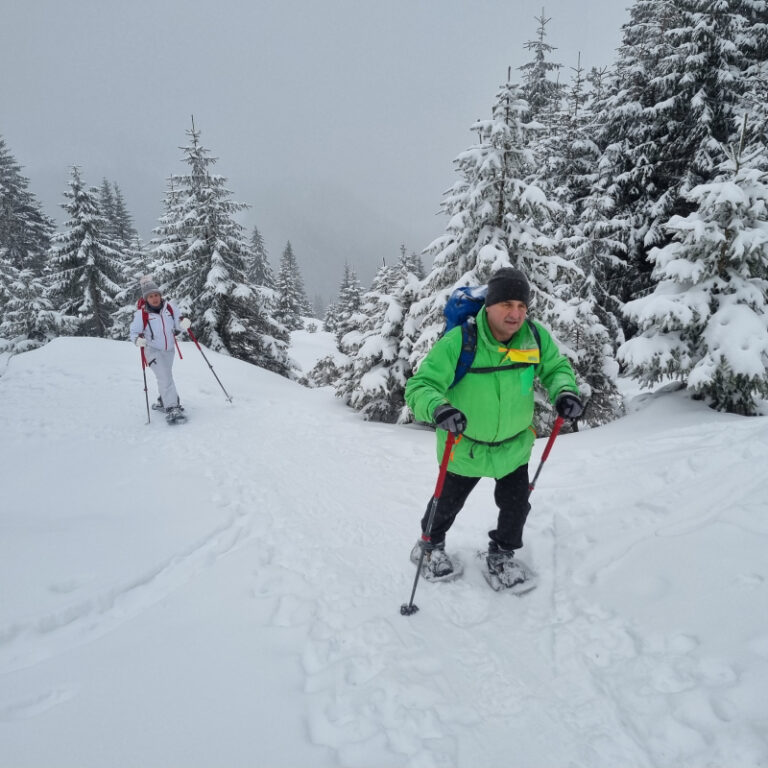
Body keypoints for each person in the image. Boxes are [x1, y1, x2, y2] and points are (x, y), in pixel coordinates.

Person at [404, 266, 583, 588]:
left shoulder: (535, 337)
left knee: (516, 507)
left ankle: (502, 554)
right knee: (446, 504)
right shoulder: (461, 341)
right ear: (490, 305)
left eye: (521, 306)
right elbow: (421, 385)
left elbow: (556, 368)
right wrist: (439, 407)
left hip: (514, 447)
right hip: (464, 446)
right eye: (507, 305)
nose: (515, 314)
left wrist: (564, 391)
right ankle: (428, 547)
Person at [129, 275, 192, 423]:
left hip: (169, 349)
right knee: (165, 377)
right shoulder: (141, 314)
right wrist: (137, 340)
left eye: (156, 295)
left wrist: (184, 324)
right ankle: (172, 407)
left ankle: (163, 400)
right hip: (152, 350)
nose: (155, 298)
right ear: (146, 299)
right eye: (151, 296)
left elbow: (178, 323)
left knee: (166, 376)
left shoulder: (169, 308)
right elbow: (133, 332)